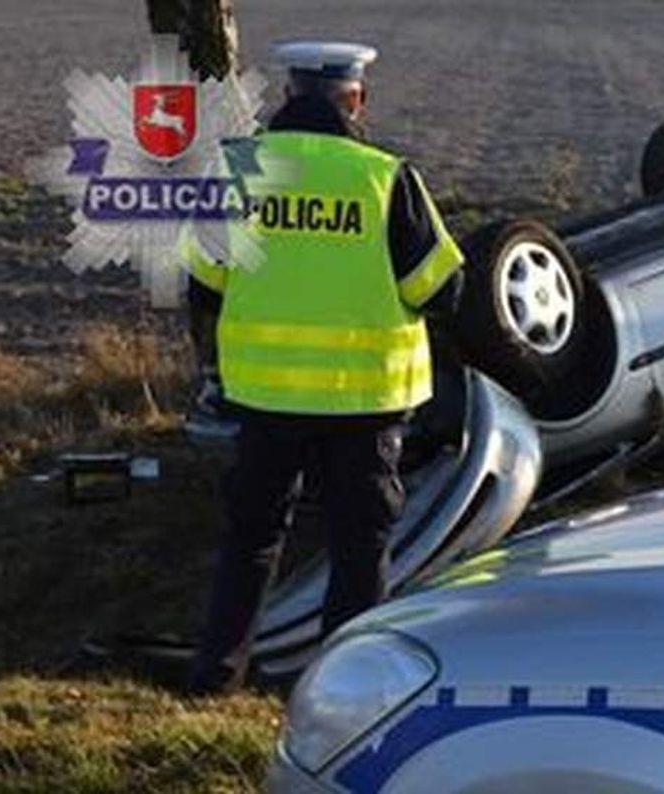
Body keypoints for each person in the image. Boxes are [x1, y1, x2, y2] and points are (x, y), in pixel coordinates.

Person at [180, 40, 464, 693]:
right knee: (358, 548)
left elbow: (203, 284)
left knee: (251, 539)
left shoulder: (238, 171)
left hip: (265, 397)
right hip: (364, 402)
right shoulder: (385, 176)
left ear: (288, 95)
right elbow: (438, 290)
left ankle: (215, 679)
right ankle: (346, 688)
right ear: (355, 99)